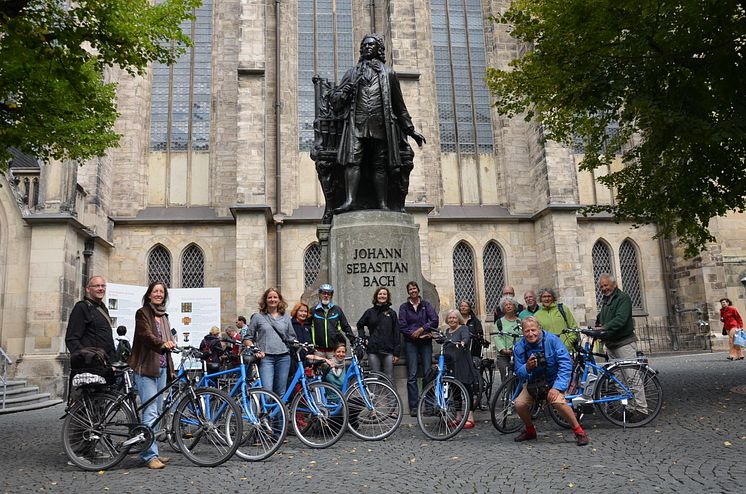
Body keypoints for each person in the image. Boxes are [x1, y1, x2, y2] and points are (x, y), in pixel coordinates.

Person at [330, 33, 426, 213]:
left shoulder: (389, 74)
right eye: (364, 45)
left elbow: (399, 106)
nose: (367, 47)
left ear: (378, 49)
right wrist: (345, 92)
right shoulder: (352, 73)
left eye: (371, 45)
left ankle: (382, 203)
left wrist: (411, 131)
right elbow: (335, 102)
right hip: (356, 125)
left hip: (380, 126)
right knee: (353, 161)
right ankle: (350, 200)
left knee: (380, 164)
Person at [512, 317, 590, 446]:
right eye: (527, 331)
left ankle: (579, 432)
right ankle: (530, 431)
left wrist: (557, 387)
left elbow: (565, 364)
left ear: (539, 329)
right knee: (519, 404)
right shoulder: (520, 347)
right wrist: (527, 367)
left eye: (533, 330)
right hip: (534, 383)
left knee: (558, 401)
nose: (530, 334)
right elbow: (518, 372)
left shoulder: (552, 340)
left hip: (553, 381)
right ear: (523, 332)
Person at [128, 281, 177, 469]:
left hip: (162, 368)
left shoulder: (164, 316)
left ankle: (152, 449)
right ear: (149, 295)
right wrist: (162, 344)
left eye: (161, 292)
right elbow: (145, 336)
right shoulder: (143, 313)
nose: (158, 294)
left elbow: (168, 340)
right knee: (150, 412)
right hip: (146, 367)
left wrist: (172, 344)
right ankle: (150, 456)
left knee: (157, 413)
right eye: (155, 291)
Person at [595, 274, 648, 415]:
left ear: (614, 285)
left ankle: (641, 409)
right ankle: (630, 409)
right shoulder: (606, 301)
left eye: (606, 285)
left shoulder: (623, 298)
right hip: (611, 344)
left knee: (631, 377)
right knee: (619, 380)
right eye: (601, 286)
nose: (604, 288)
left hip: (624, 343)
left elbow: (621, 319)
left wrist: (604, 328)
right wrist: (597, 326)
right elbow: (602, 318)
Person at [242, 288, 297, 397]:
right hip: (266, 358)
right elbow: (247, 338)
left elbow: (291, 337)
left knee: (281, 393)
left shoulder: (285, 317)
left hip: (283, 357)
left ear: (279, 300)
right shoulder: (258, 317)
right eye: (270, 297)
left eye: (275, 297)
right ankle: (266, 414)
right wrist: (255, 349)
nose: (273, 299)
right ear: (265, 300)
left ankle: (279, 414)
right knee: (267, 393)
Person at [399, 280, 439, 416]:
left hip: (425, 342)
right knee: (412, 375)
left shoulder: (426, 305)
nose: (413, 291)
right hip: (411, 343)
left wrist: (422, 329)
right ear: (408, 292)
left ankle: (428, 405)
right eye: (410, 289)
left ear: (418, 290)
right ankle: (414, 406)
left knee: (428, 373)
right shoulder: (404, 307)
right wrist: (414, 335)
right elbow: (402, 326)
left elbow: (434, 320)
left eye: (414, 289)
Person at [65, 275, 117, 363]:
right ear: (88, 289)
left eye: (103, 286)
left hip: (107, 364)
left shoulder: (103, 308)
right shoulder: (81, 307)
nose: (101, 289)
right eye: (97, 286)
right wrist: (88, 358)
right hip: (90, 366)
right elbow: (71, 339)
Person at [443, 309, 479, 428]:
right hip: (451, 364)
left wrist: (463, 342)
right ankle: (458, 416)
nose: (452, 320)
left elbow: (466, 338)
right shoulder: (447, 331)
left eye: (454, 318)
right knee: (455, 389)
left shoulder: (463, 328)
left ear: (458, 319)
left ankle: (470, 416)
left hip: (463, 362)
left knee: (466, 388)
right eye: (450, 318)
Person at [357, 287, 401, 382]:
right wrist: (364, 338)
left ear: (387, 297)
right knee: (374, 377)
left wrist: (396, 353)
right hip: (373, 350)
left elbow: (396, 333)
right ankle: (372, 397)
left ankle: (391, 397)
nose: (382, 296)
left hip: (388, 350)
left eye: (384, 294)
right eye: (380, 294)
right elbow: (359, 324)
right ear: (376, 296)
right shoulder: (370, 312)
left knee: (389, 377)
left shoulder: (392, 313)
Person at [310, 284, 355, 358]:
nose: (326, 295)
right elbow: (307, 327)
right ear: (320, 295)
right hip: (318, 350)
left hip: (334, 350)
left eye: (329, 294)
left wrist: (352, 339)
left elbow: (345, 326)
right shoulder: (313, 311)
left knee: (336, 369)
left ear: (331, 296)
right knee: (319, 369)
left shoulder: (337, 310)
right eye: (324, 293)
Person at [534, 287, 577, 352]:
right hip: (550, 351)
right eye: (544, 297)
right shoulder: (537, 315)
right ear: (540, 299)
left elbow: (573, 327)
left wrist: (568, 343)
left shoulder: (563, 309)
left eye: (549, 296)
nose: (547, 299)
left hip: (567, 350)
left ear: (553, 298)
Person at [493, 296, 523, 383]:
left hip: (518, 354)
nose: (509, 306)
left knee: (519, 376)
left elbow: (524, 336)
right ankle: (505, 394)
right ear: (503, 308)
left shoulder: (520, 321)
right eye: (506, 305)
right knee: (506, 377)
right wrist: (503, 349)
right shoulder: (499, 322)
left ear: (514, 307)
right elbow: (497, 337)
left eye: (511, 304)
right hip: (503, 355)